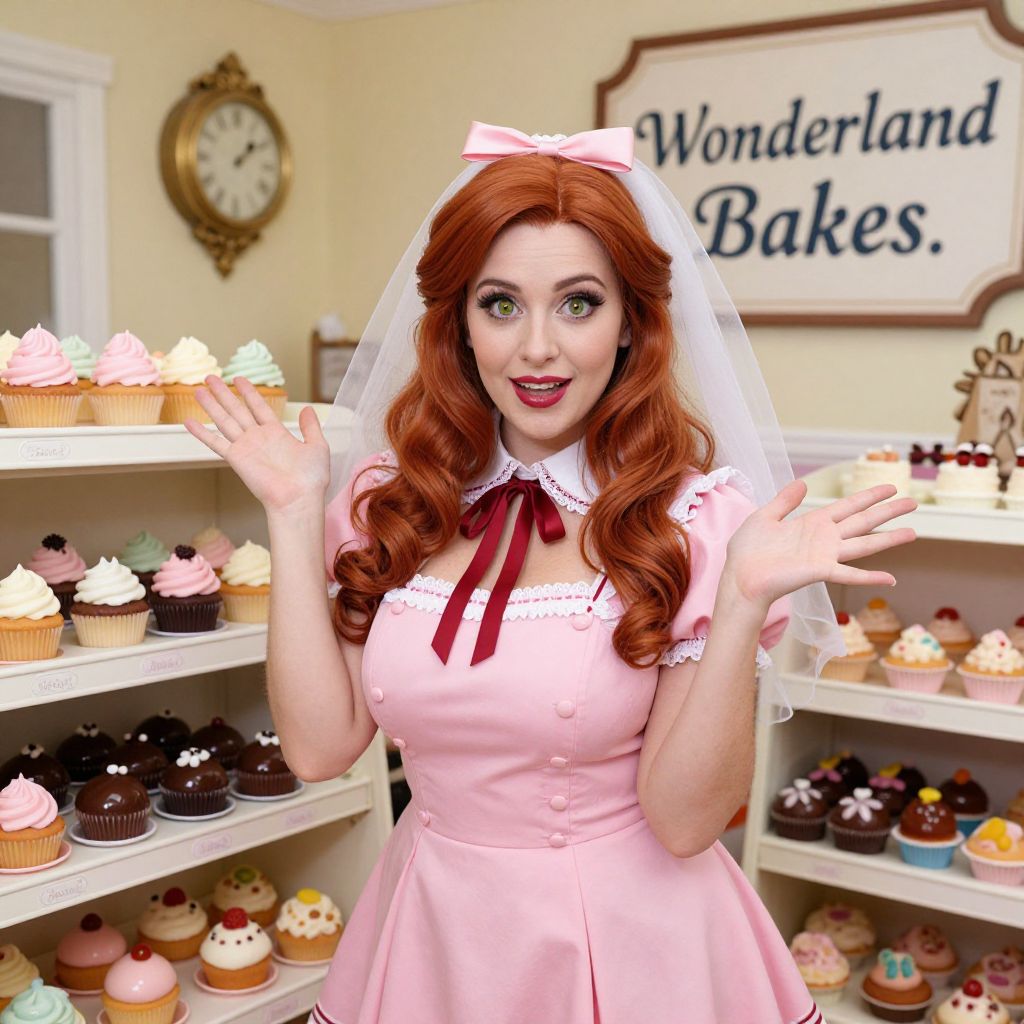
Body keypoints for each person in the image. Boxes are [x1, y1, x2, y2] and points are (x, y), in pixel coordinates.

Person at [186, 122, 916, 1024]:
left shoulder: (694, 522)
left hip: (629, 947)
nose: (537, 348)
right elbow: (319, 747)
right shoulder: (391, 500)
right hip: (433, 932)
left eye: (578, 303)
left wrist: (738, 603)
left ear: (630, 325)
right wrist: (295, 519)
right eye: (501, 304)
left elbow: (686, 823)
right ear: (457, 322)